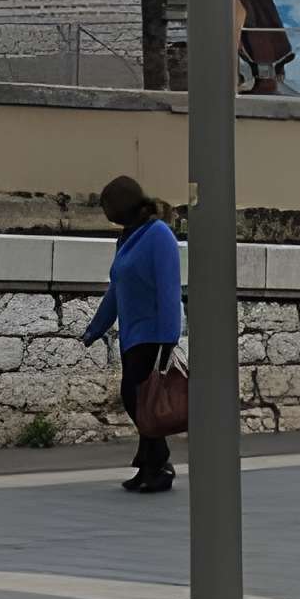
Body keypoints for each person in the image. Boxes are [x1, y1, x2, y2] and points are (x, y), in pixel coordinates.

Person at [81, 175, 183, 494]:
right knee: (140, 400)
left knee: (138, 397)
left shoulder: (158, 235)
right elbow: (117, 288)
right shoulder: (127, 237)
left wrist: (169, 339)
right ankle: (149, 465)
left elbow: (169, 288)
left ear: (122, 205)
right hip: (132, 335)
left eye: (108, 205)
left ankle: (160, 462)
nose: (105, 212)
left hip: (154, 334)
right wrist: (95, 328)